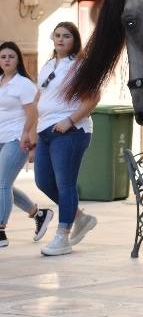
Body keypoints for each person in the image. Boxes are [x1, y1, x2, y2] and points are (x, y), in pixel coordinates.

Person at [22, 22, 101, 257]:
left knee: (65, 184)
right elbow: (39, 101)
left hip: (71, 132)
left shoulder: (80, 65)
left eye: (66, 36)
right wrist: (30, 134)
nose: (61, 39)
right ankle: (80, 217)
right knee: (43, 181)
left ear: (74, 40)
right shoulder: (48, 66)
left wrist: (71, 120)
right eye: (57, 35)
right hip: (46, 132)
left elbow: (94, 96)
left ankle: (62, 236)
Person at [0, 41, 53, 248]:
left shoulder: (23, 84)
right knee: (4, 185)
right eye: (3, 57)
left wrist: (31, 142)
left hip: (16, 138)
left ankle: (1, 232)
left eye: (10, 57)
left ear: (18, 60)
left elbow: (33, 113)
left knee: (2, 184)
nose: (6, 60)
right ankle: (39, 214)